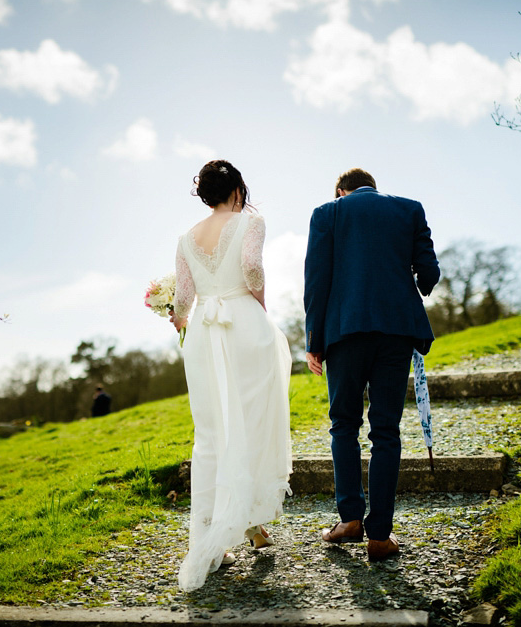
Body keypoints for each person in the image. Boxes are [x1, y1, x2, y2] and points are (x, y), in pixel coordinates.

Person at [303, 168, 439, 562]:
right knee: (386, 430)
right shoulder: (409, 210)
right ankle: (380, 536)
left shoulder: (328, 213)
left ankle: (349, 520)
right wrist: (413, 281)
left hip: (344, 333)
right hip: (396, 331)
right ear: (373, 187)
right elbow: (428, 273)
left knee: (344, 424)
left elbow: (316, 280)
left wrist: (314, 341)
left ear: (341, 191)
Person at [170, 160, 293, 591]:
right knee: (253, 421)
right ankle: (253, 524)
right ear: (238, 188)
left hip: (202, 332)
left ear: (204, 194)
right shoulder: (250, 222)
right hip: (242, 322)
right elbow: (254, 270)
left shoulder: (186, 238)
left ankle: (211, 539)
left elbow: (184, 297)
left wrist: (178, 318)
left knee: (212, 432)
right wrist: (258, 304)